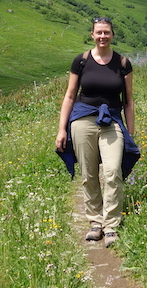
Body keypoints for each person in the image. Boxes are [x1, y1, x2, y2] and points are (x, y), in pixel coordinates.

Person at [55, 17, 136, 248]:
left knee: (112, 171)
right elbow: (70, 95)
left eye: (106, 32)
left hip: (112, 120)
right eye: (98, 32)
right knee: (89, 173)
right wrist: (61, 129)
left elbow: (129, 101)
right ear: (92, 34)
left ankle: (111, 225)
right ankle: (95, 222)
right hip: (82, 121)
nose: (103, 36)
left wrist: (130, 133)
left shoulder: (123, 63)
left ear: (112, 35)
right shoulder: (81, 61)